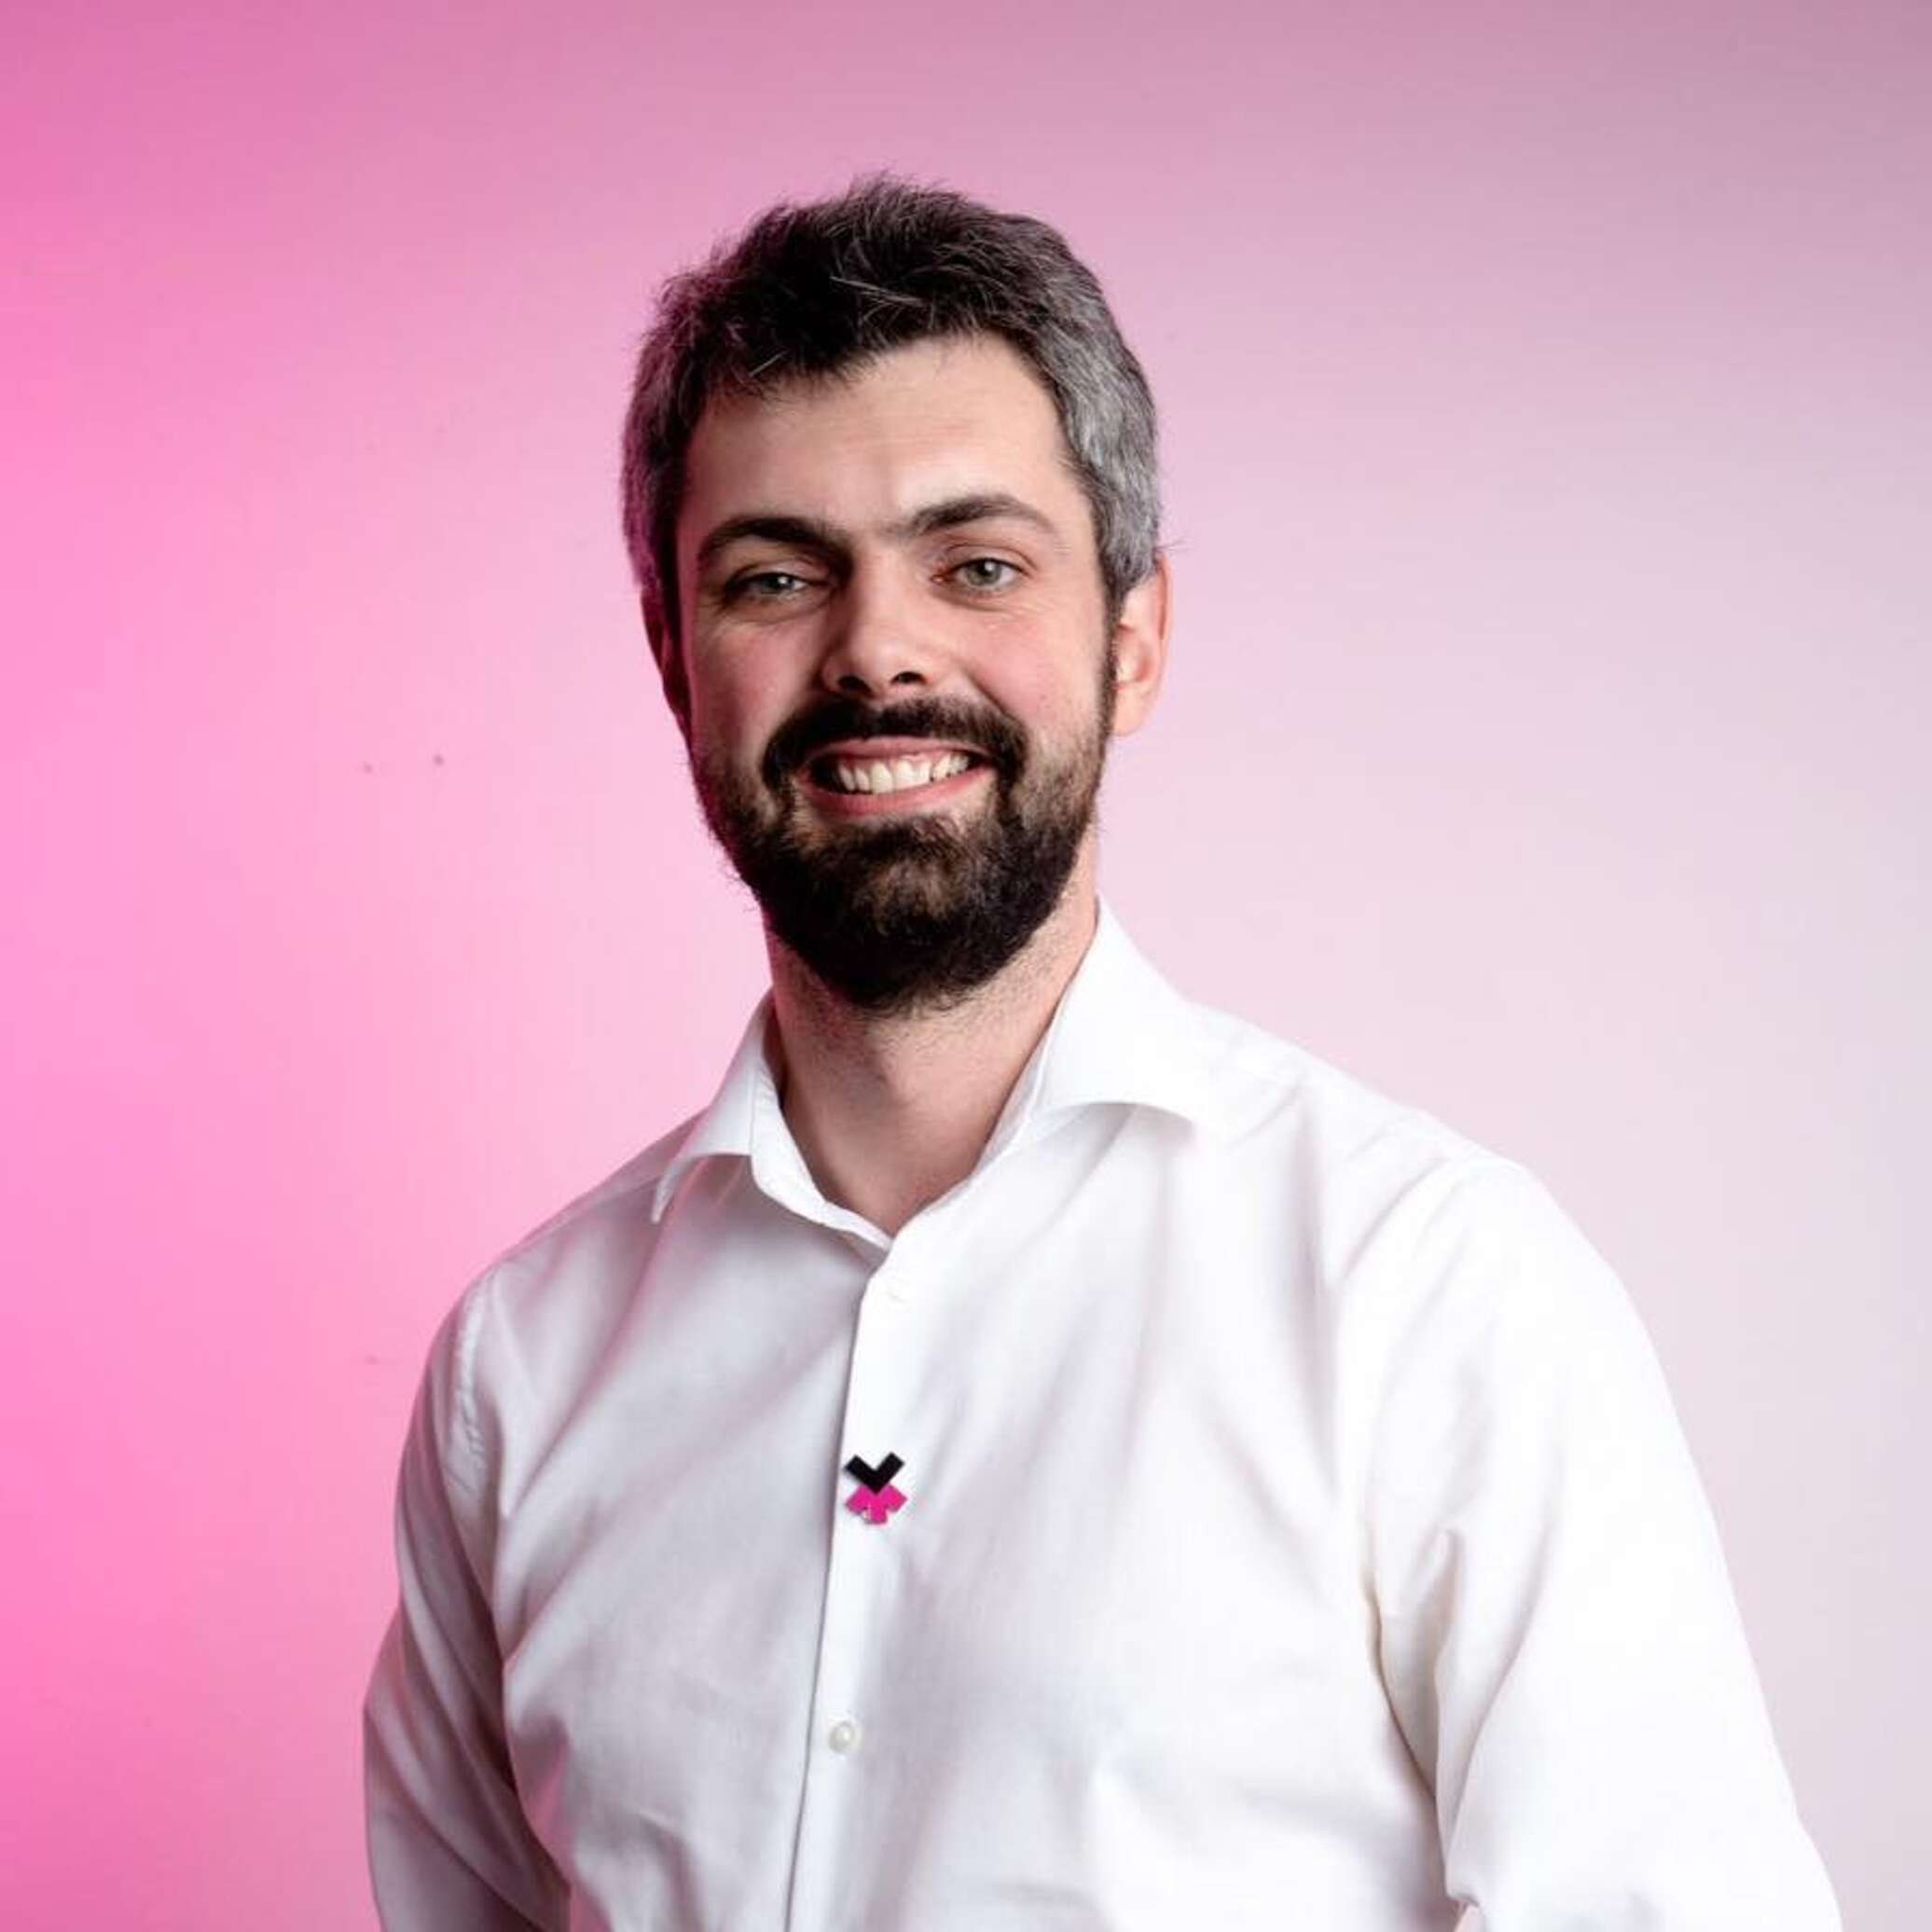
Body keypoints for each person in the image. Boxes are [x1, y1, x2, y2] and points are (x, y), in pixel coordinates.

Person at [361, 172, 1842, 1930]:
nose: (877, 651)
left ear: (1132, 641)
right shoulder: (521, 1376)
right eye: (777, 576)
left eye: (976, 565)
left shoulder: (1427, 1292)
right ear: (676, 662)